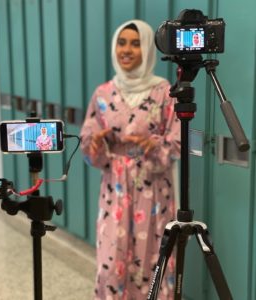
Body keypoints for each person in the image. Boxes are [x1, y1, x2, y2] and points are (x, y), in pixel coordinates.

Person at [80, 19, 180, 300]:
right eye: (122, 43)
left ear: (147, 48)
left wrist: (153, 144)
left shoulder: (164, 91)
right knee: (111, 262)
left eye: (136, 43)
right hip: (115, 188)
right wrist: (95, 143)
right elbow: (89, 143)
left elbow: (176, 142)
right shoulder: (103, 94)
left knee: (151, 262)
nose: (127, 50)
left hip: (154, 188)